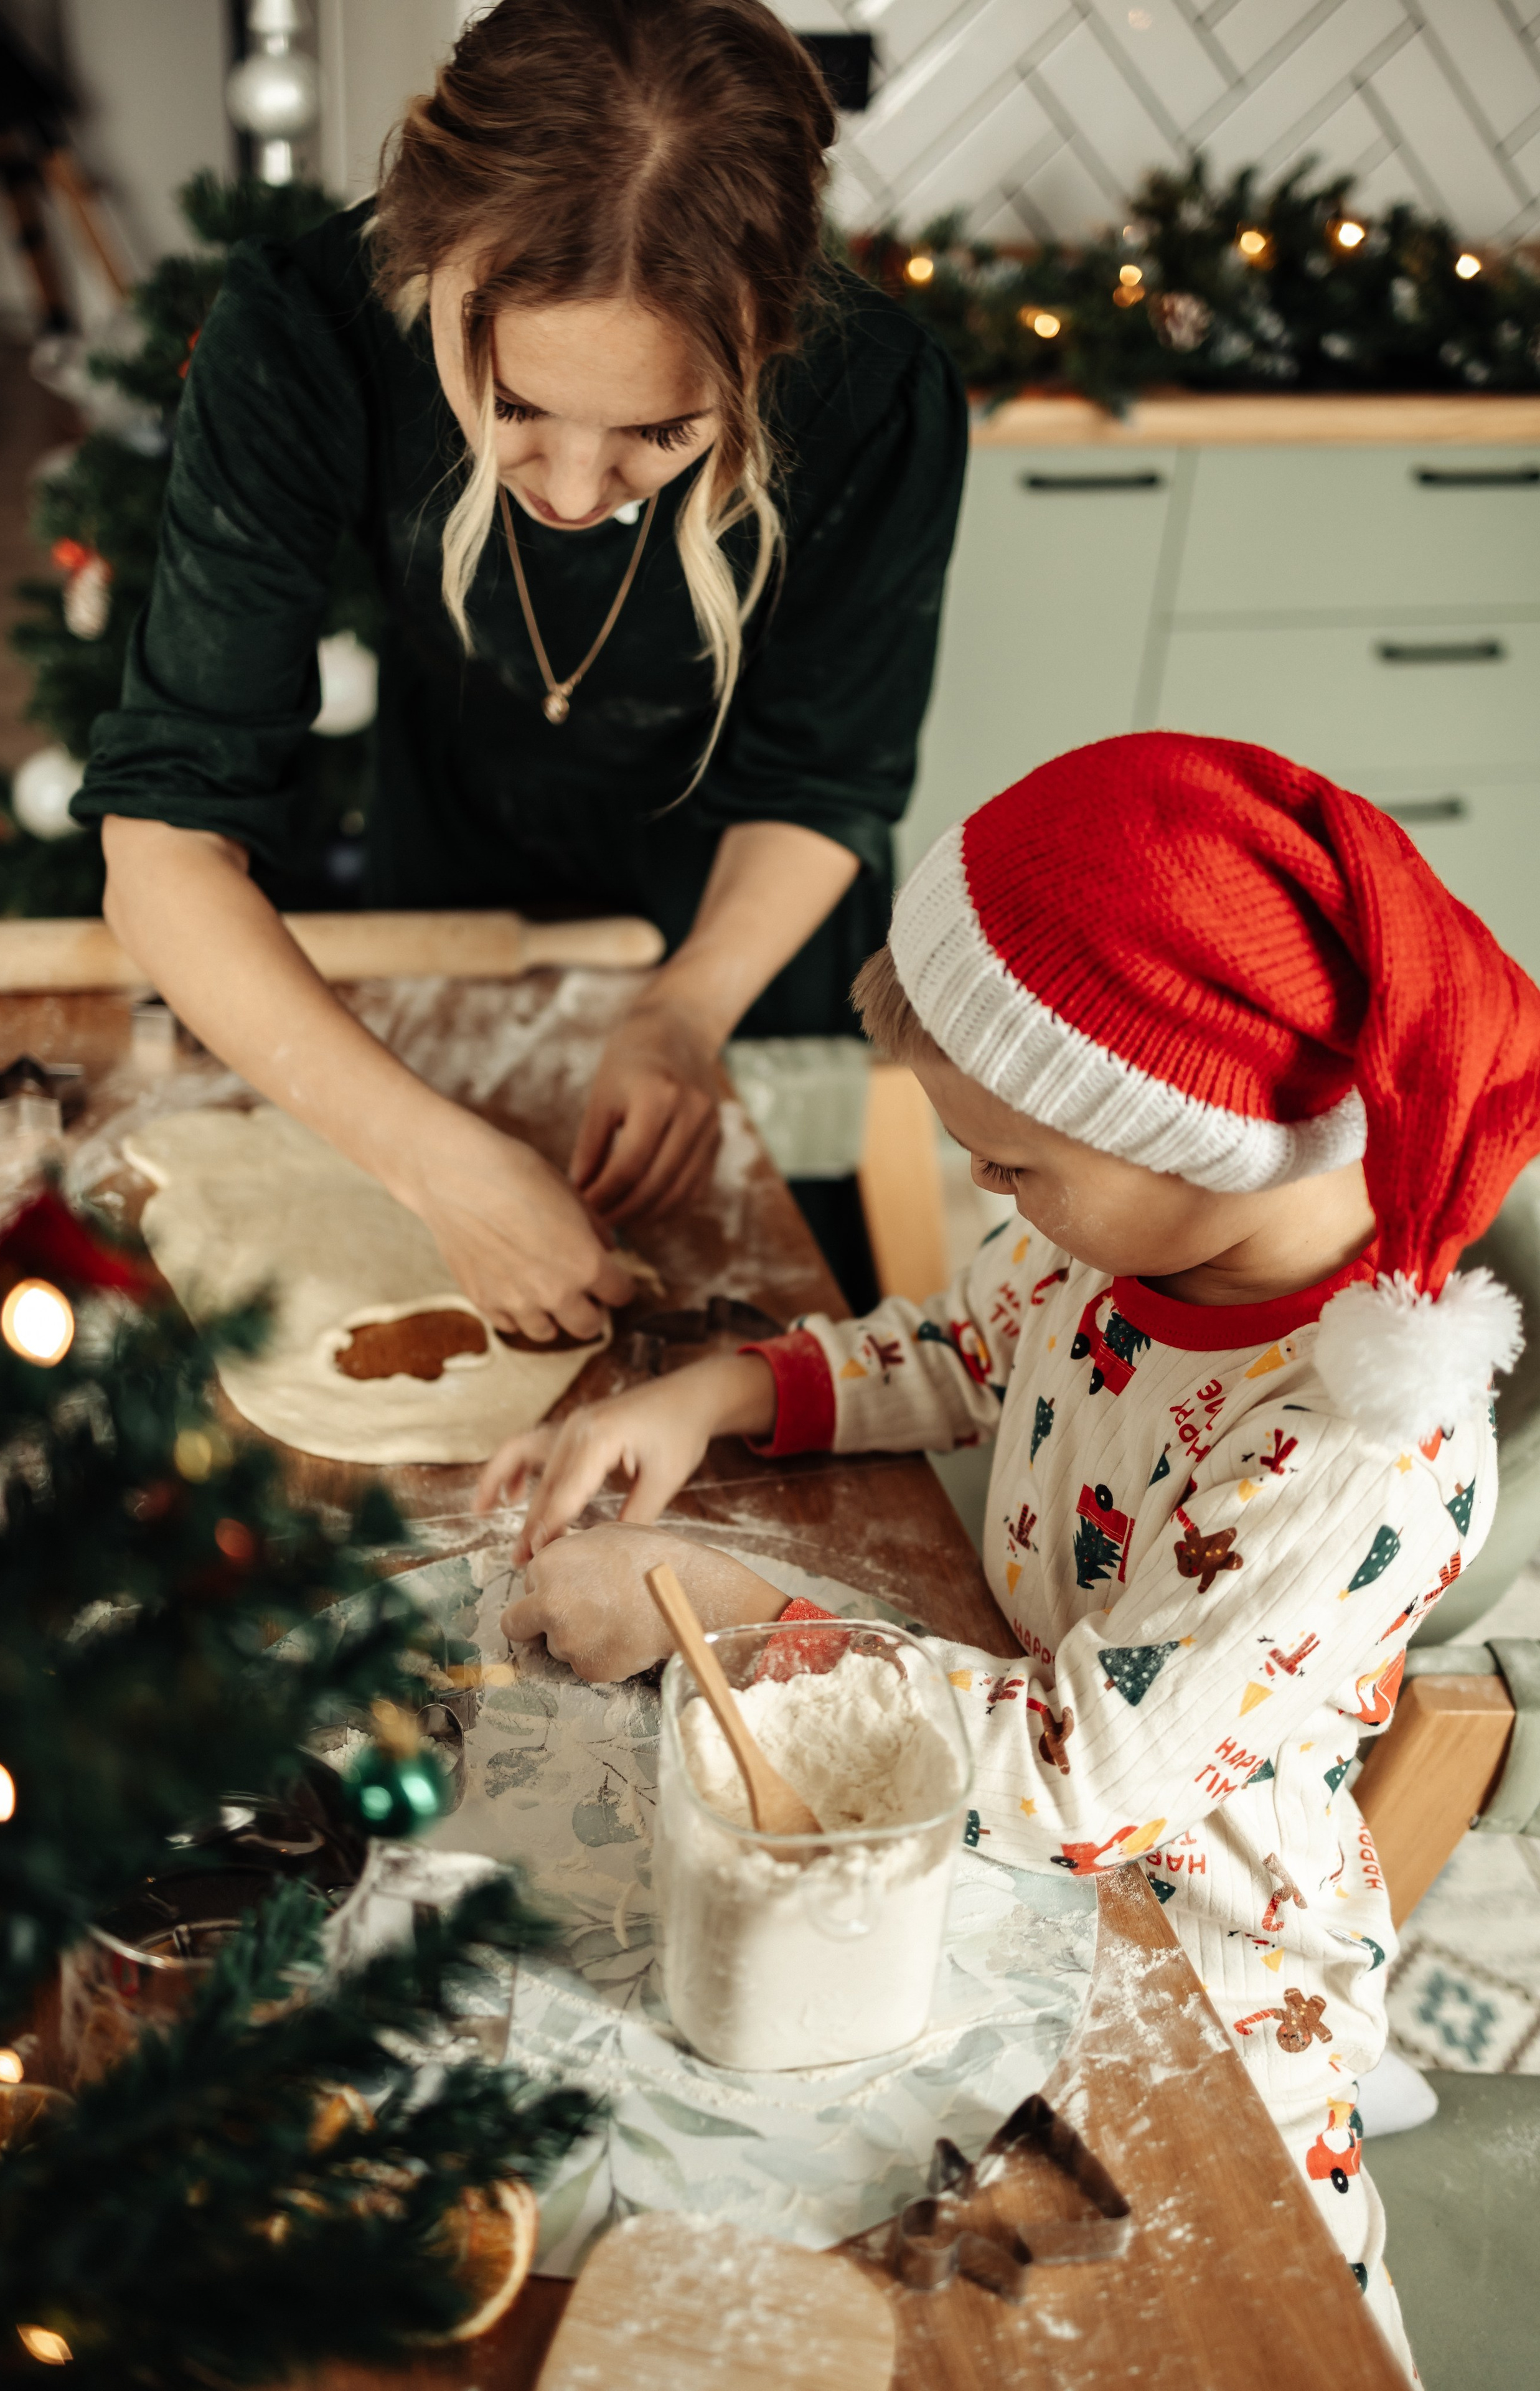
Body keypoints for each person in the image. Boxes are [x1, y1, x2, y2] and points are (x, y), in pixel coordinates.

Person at [475, 731, 1540, 2379]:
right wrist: (721, 1389)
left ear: (1200, 1142)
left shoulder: (1349, 1451)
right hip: (996, 1822)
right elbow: (962, 1346)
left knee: (1125, 2326)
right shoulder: (1100, 1246)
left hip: (1198, 1986)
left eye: (1016, 1165)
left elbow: (1090, 1779)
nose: (986, 1191)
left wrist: (756, 1621)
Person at [73, 0, 966, 1340]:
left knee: (769, 1334)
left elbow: (825, 774)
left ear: (769, 345)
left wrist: (680, 1012)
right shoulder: (303, 332)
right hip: (457, 840)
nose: (568, 485)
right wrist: (434, 1159)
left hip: (752, 912)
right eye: (511, 406)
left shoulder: (875, 396)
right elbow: (166, 840)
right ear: (423, 266)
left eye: (658, 430)